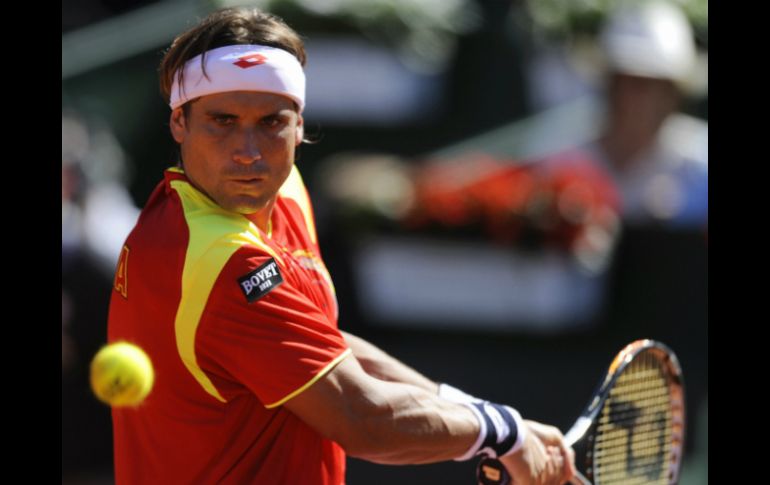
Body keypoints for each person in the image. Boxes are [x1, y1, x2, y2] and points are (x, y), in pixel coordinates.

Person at [107, 7, 575, 484]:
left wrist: (476, 413)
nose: (247, 151)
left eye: (271, 122)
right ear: (179, 123)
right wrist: (501, 432)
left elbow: (318, 343)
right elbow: (362, 417)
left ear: (298, 125)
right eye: (222, 121)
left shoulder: (282, 192)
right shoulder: (221, 260)